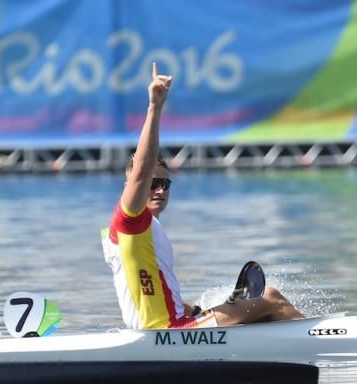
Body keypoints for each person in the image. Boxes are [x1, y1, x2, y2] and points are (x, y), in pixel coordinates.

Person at [102, 63, 304, 330]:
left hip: (169, 326)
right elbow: (141, 169)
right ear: (133, 185)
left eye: (165, 183)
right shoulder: (128, 221)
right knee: (271, 298)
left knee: (255, 308)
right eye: (153, 183)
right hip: (169, 332)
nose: (160, 189)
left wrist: (199, 311)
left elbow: (160, 295)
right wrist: (155, 108)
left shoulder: (136, 236)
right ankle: (328, 340)